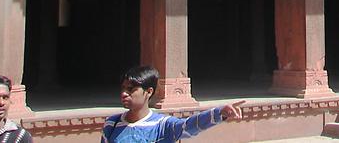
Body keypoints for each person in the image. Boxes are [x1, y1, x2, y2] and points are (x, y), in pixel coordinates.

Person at [101, 65, 244, 142]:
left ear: (149, 92)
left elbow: (189, 125)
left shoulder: (162, 126)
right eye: (123, 88)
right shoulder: (112, 124)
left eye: (131, 89)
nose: (124, 93)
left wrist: (219, 113)